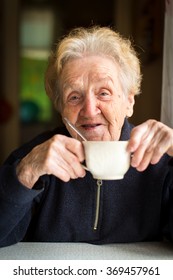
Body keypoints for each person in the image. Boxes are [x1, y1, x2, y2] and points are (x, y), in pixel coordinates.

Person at [0, 26, 173, 248]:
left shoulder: (161, 162)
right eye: (74, 97)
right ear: (61, 109)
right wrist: (26, 172)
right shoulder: (34, 159)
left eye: (104, 93)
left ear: (129, 101)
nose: (90, 110)